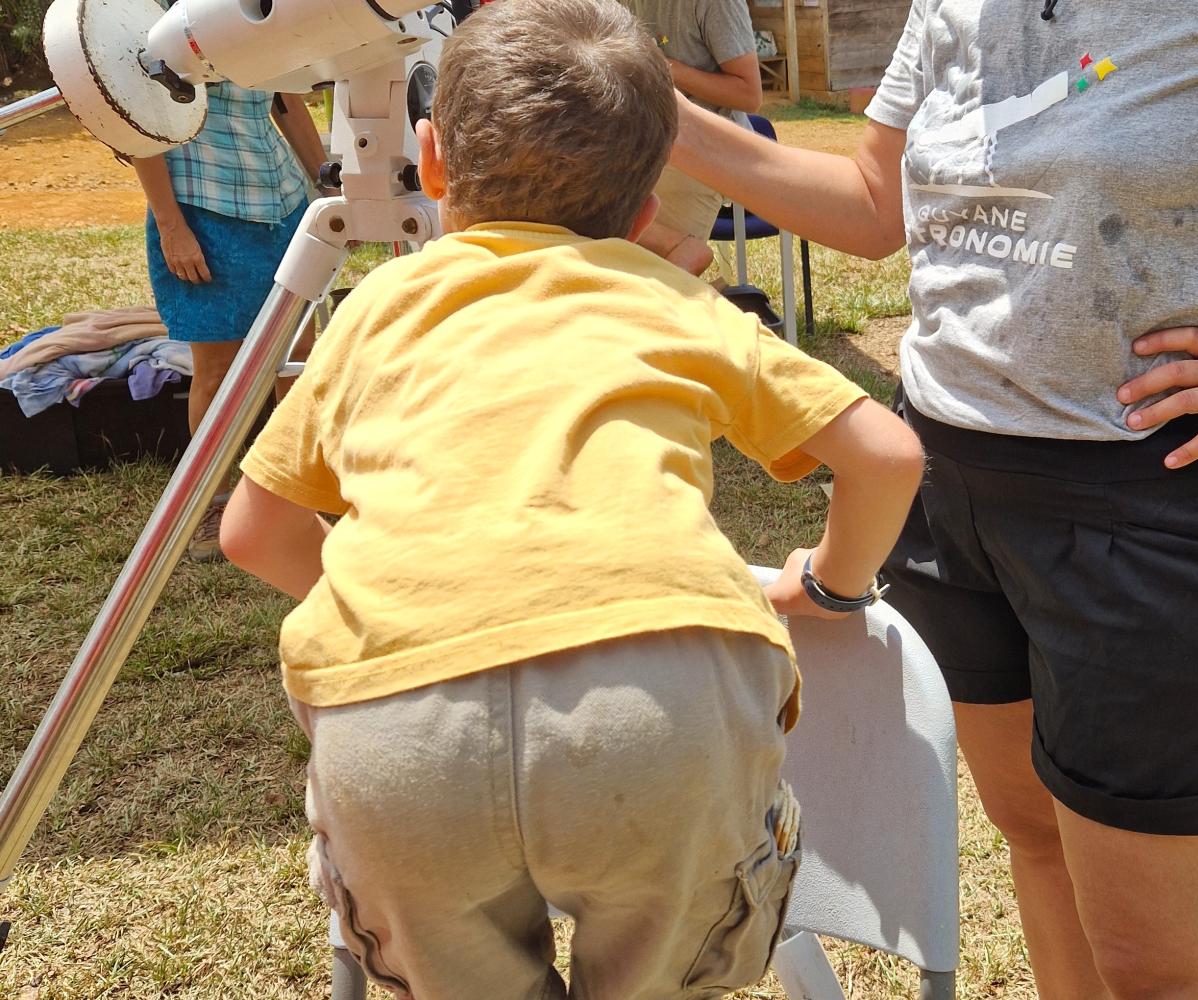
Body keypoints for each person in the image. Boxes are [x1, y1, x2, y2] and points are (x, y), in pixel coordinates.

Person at [668, 1, 1198, 996]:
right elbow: (871, 202)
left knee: (1162, 973)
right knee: (1039, 842)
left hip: (1145, 503)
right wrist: (650, 108)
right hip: (948, 486)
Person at [217, 2, 923, 997]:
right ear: (648, 210)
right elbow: (887, 455)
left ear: (430, 160)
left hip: (401, 732)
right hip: (663, 711)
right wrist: (834, 585)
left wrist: (392, 609)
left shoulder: (376, 310)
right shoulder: (672, 299)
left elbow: (253, 531)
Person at [134, 77, 325, 561]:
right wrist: (170, 227)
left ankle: (300, 491)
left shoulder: (264, 8)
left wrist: (328, 183)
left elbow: (285, 98)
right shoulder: (153, 13)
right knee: (218, 369)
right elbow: (138, 129)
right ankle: (211, 504)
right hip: (201, 207)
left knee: (298, 354)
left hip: (283, 200)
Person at [626, 0, 763, 275]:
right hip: (646, 139)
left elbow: (749, 95)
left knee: (652, 270)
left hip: (710, 144)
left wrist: (666, 68)